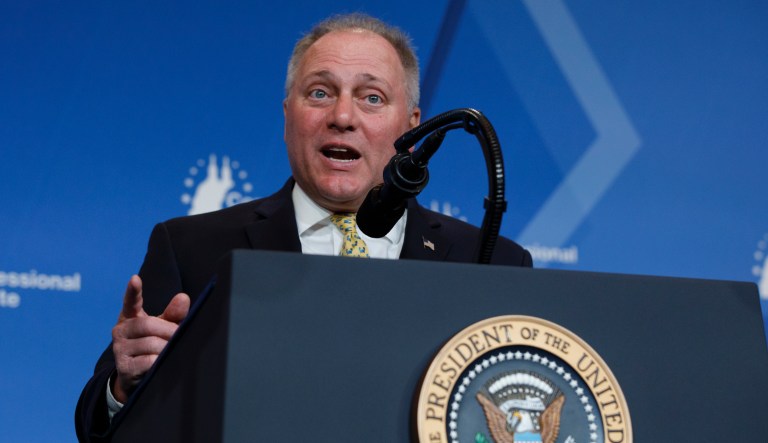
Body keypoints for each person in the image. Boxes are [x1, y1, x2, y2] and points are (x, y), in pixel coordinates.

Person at [75, 12, 533, 442]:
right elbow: (97, 426)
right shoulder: (191, 247)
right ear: (288, 114)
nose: (342, 116)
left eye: (372, 98)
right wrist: (123, 385)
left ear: (411, 127)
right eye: (319, 93)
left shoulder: (492, 260)